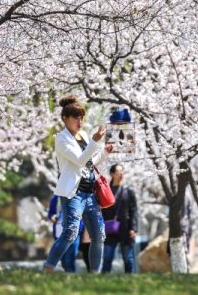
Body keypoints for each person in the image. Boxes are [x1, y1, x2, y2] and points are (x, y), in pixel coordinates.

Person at [44, 95, 114, 273]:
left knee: (99, 236)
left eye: (82, 117)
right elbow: (80, 160)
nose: (80, 121)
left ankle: (94, 275)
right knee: (70, 233)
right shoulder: (61, 139)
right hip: (73, 194)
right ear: (65, 118)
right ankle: (48, 269)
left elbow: (90, 163)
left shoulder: (83, 136)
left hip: (91, 194)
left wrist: (104, 153)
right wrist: (95, 141)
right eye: (76, 117)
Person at [101, 163, 138, 273]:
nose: (121, 174)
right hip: (109, 228)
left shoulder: (128, 190)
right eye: (118, 172)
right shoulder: (106, 190)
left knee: (128, 258)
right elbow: (101, 209)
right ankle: (104, 280)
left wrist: (134, 228)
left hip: (125, 228)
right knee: (107, 257)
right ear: (112, 174)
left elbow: (134, 210)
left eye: (122, 171)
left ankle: (131, 280)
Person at [48, 195, 85, 272]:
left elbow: (82, 214)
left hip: (73, 233)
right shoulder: (55, 198)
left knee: (69, 260)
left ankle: (71, 278)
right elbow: (51, 213)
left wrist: (79, 229)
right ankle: (67, 277)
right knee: (63, 261)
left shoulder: (77, 196)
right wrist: (52, 217)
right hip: (59, 234)